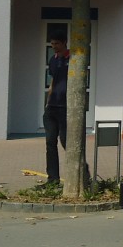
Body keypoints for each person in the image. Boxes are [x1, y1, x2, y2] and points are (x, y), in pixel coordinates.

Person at [43, 34, 70, 185]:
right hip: (52, 107)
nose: (54, 46)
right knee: (50, 143)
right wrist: (47, 102)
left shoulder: (72, 58)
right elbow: (52, 81)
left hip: (65, 108)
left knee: (67, 142)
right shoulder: (53, 60)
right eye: (52, 43)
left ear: (64, 42)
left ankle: (81, 174)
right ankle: (53, 179)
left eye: (57, 43)